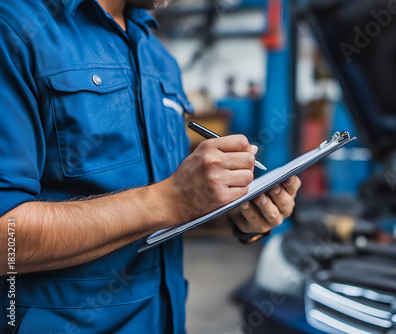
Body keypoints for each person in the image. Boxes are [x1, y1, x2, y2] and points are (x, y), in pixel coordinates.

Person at [0, 0, 301, 333]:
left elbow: (170, 204)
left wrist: (244, 216)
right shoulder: (14, 29)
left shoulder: (160, 59)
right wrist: (171, 200)